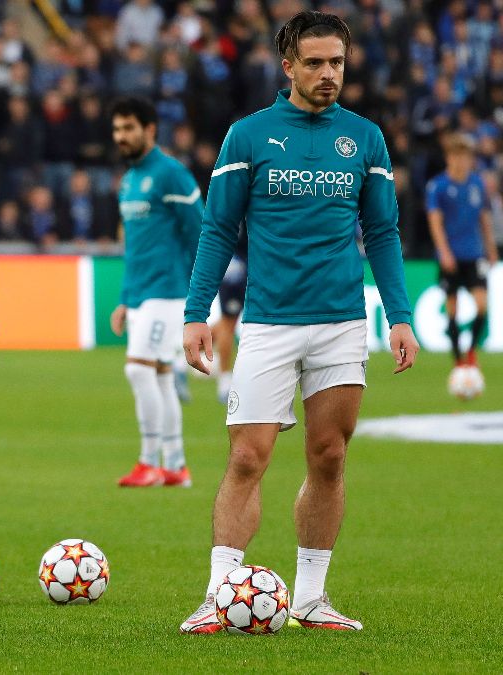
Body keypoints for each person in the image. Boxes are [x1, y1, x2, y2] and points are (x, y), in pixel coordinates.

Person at [178, 11, 418, 634]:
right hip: (268, 323)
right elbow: (217, 229)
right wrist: (196, 314)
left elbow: (384, 232)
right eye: (313, 63)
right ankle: (217, 595)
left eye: (336, 62)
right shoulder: (249, 136)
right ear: (287, 66)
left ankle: (310, 597)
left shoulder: (364, 139)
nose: (327, 74)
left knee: (329, 457)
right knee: (248, 458)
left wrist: (400, 316)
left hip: (340, 321)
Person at [109, 97, 203, 489]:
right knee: (161, 378)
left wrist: (197, 294)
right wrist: (125, 299)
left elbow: (202, 232)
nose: (121, 136)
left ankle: (149, 460)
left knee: (137, 369)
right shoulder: (129, 180)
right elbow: (136, 247)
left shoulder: (171, 175)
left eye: (129, 128)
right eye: (117, 129)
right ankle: (176, 466)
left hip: (169, 292)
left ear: (150, 130)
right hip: (142, 294)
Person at [425, 132, 497, 368]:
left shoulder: (477, 184)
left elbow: (484, 219)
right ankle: (458, 360)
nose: (461, 161)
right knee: (452, 309)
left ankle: (471, 351)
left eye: (466, 156)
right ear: (449, 158)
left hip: (474, 253)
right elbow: (435, 222)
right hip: (451, 256)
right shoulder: (438, 186)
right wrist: (444, 252)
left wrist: (490, 248)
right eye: (457, 156)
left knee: (482, 306)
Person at [212, 225, 248, 404]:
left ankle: (180, 358)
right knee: (228, 322)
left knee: (227, 322)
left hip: (254, 261)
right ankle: (225, 381)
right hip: (239, 262)